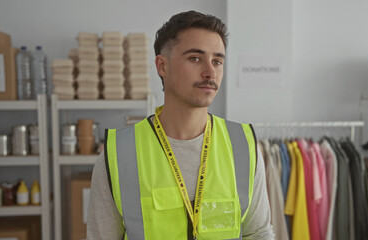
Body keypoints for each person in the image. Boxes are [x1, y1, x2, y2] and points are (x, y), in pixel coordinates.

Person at [87, 10, 275, 240]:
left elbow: (259, 233)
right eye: (195, 58)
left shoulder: (243, 146)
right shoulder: (118, 154)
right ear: (162, 66)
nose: (210, 72)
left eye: (217, 61)